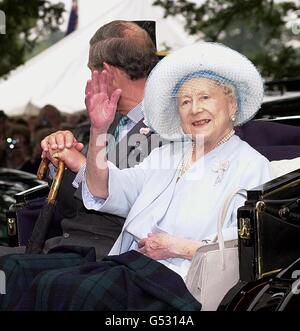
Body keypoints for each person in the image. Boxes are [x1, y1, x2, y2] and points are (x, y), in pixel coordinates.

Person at [1, 42, 272, 311]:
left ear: (232, 105)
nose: (194, 109)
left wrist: (177, 247)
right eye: (185, 101)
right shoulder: (167, 155)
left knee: (66, 289)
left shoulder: (251, 165)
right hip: (131, 267)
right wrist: (99, 129)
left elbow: (246, 245)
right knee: (16, 271)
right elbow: (104, 190)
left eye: (205, 98)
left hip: (183, 282)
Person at [0, 20, 159, 259]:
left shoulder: (168, 129)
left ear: (106, 73)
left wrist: (81, 164)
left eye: (90, 71)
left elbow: (143, 206)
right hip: (63, 248)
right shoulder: (102, 123)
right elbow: (70, 206)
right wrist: (59, 160)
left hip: (113, 260)